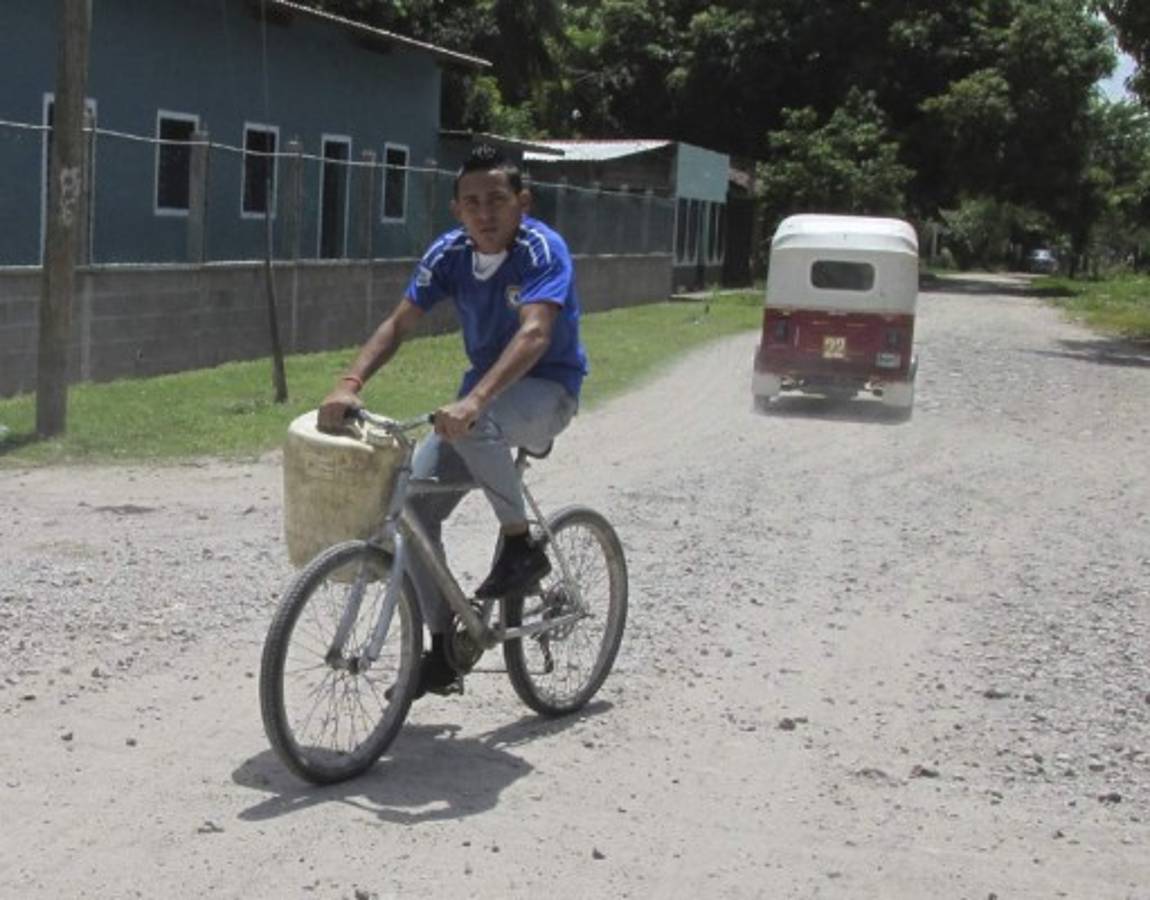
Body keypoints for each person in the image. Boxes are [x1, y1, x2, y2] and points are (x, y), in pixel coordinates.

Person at [317, 144, 588, 698]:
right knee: (413, 502)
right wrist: (349, 383)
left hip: (547, 390)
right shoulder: (450, 253)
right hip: (482, 402)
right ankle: (443, 648)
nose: (484, 213)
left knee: (479, 420)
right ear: (456, 210)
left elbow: (535, 333)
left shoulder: (541, 248)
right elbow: (399, 323)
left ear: (523, 202)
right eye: (471, 203)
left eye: (496, 200)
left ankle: (521, 546)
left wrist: (475, 401)